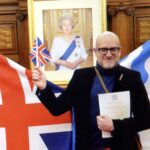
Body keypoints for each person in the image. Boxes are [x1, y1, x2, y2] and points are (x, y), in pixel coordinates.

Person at [32, 31, 150, 150]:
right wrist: (44, 87)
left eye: (113, 49)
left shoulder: (132, 77)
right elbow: (57, 108)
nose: (109, 54)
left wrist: (115, 125)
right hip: (89, 146)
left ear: (120, 51)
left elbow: (146, 119)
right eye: (103, 49)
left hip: (123, 146)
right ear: (95, 52)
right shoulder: (81, 77)